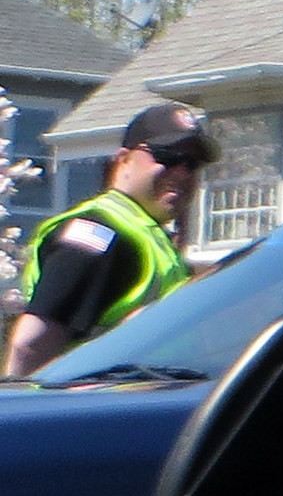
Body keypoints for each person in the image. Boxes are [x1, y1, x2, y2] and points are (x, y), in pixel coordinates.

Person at [6, 104, 216, 378]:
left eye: (193, 163)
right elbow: (30, 346)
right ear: (124, 160)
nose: (183, 172)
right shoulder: (98, 234)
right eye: (167, 156)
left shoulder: (146, 235)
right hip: (96, 411)